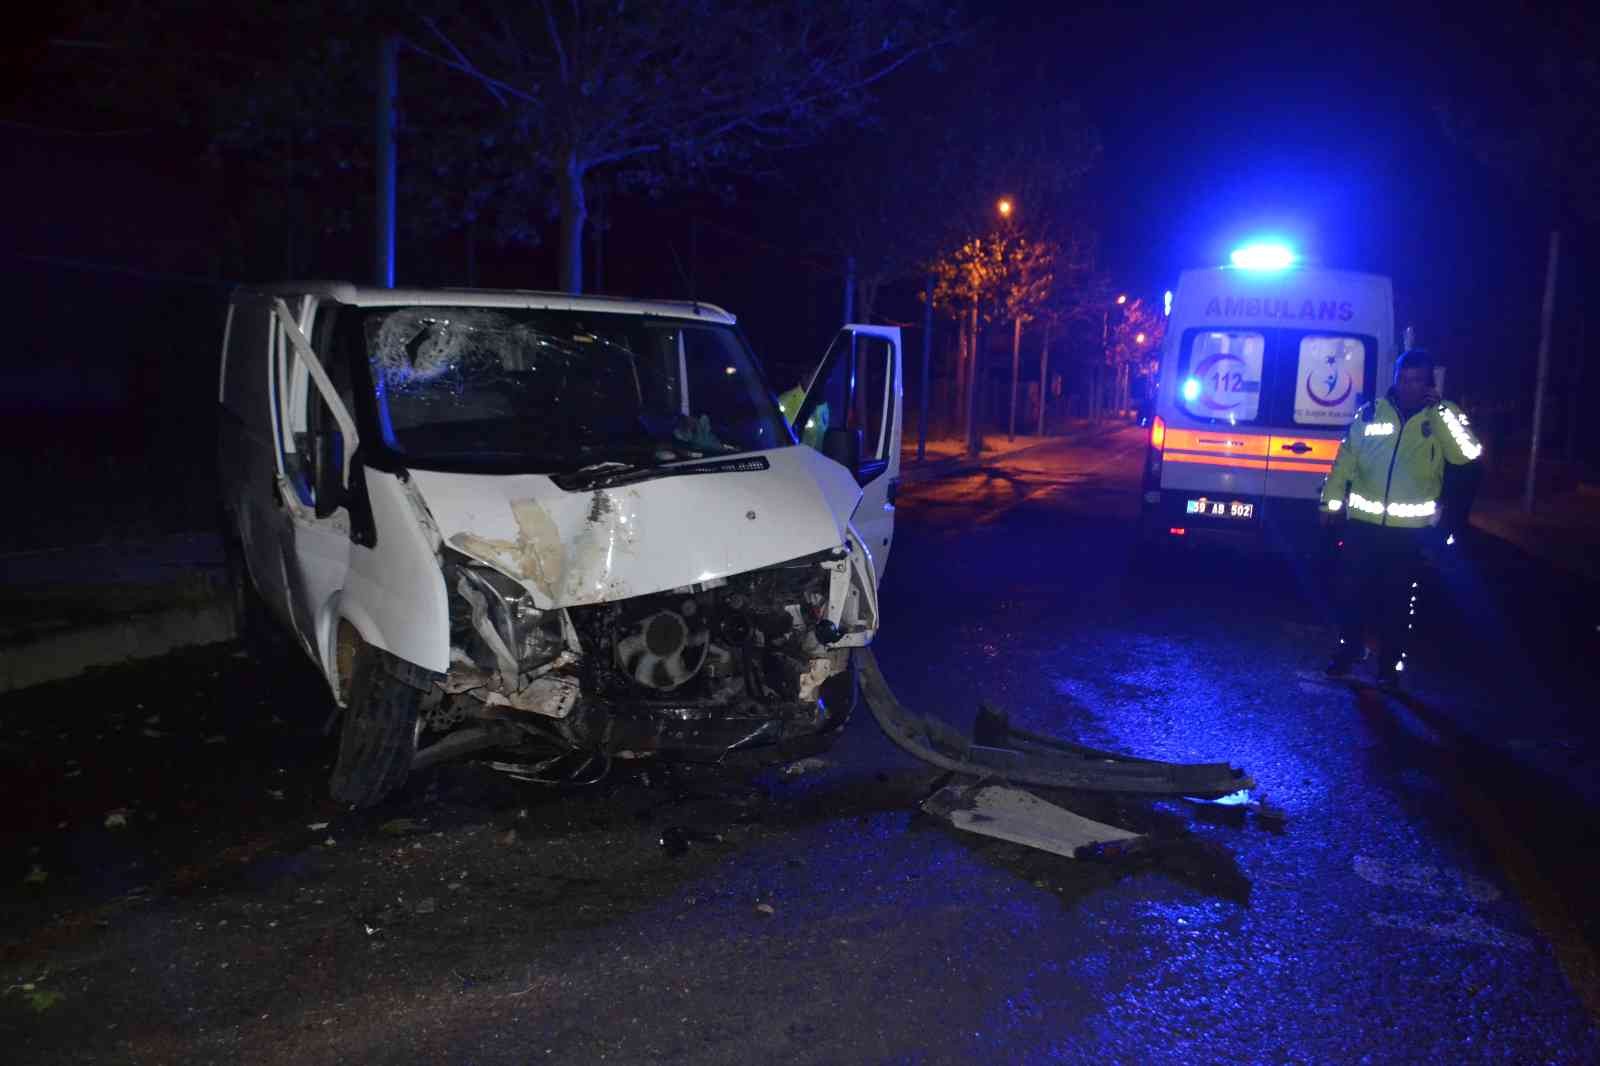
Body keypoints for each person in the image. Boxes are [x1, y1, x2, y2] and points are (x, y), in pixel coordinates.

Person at [1320, 349, 1483, 689]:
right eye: (1403, 380)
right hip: (1363, 526)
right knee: (1351, 593)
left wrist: (1438, 410)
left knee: (1396, 602)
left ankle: (1388, 667)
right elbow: (1344, 463)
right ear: (1395, 378)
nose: (1409, 387)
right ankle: (1347, 653)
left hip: (1410, 532)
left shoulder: (1442, 415)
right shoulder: (1370, 413)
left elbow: (1467, 455)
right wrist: (1330, 505)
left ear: (1429, 382)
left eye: (1417, 381)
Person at [777, 374, 829, 450]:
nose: (817, 382)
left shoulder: (823, 405)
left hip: (814, 458)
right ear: (804, 378)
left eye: (819, 378)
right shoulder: (785, 400)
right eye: (814, 377)